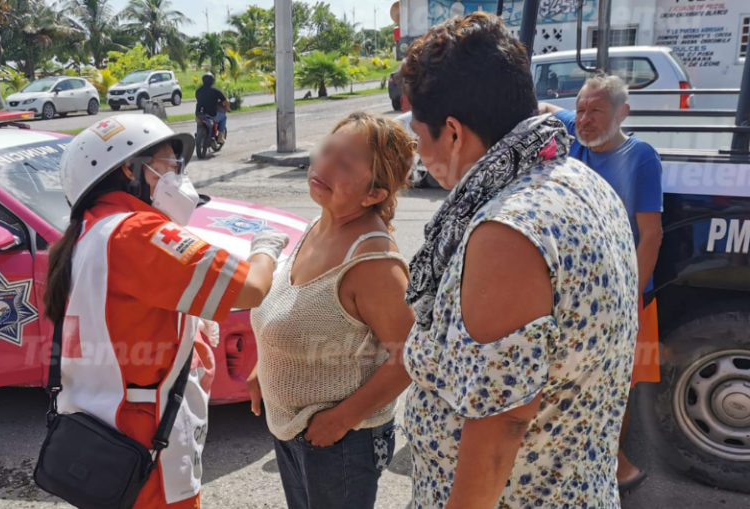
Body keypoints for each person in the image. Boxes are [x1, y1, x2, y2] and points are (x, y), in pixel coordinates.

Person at [400, 12, 639, 508]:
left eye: (419, 137)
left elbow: (502, 424)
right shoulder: (580, 180)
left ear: (453, 132)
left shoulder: (506, 230)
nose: (419, 154)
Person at [43, 113, 288, 509]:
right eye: (170, 163)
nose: (179, 174)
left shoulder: (89, 231)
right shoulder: (135, 233)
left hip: (100, 433)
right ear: (130, 168)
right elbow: (252, 288)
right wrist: (265, 248)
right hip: (146, 442)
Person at [249, 112, 416, 509]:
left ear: (374, 194)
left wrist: (342, 418)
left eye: (344, 164)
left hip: (341, 442)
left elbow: (410, 356)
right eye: (326, 150)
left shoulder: (374, 264)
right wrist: (264, 362)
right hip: (294, 429)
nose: (323, 165)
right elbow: (294, 305)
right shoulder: (319, 222)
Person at [539, 74, 664, 494]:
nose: (585, 119)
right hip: (577, 297)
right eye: (580, 110)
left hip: (623, 297)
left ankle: (614, 465)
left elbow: (651, 235)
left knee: (617, 385)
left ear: (622, 113)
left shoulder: (640, 157)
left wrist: (628, 300)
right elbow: (538, 109)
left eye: (596, 110)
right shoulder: (576, 135)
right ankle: (595, 463)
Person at [195, 72, 229, 144]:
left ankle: (198, 134)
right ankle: (220, 137)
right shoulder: (216, 90)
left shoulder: (198, 91)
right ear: (213, 80)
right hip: (212, 115)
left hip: (200, 114)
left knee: (199, 122)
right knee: (224, 117)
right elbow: (225, 101)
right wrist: (227, 108)